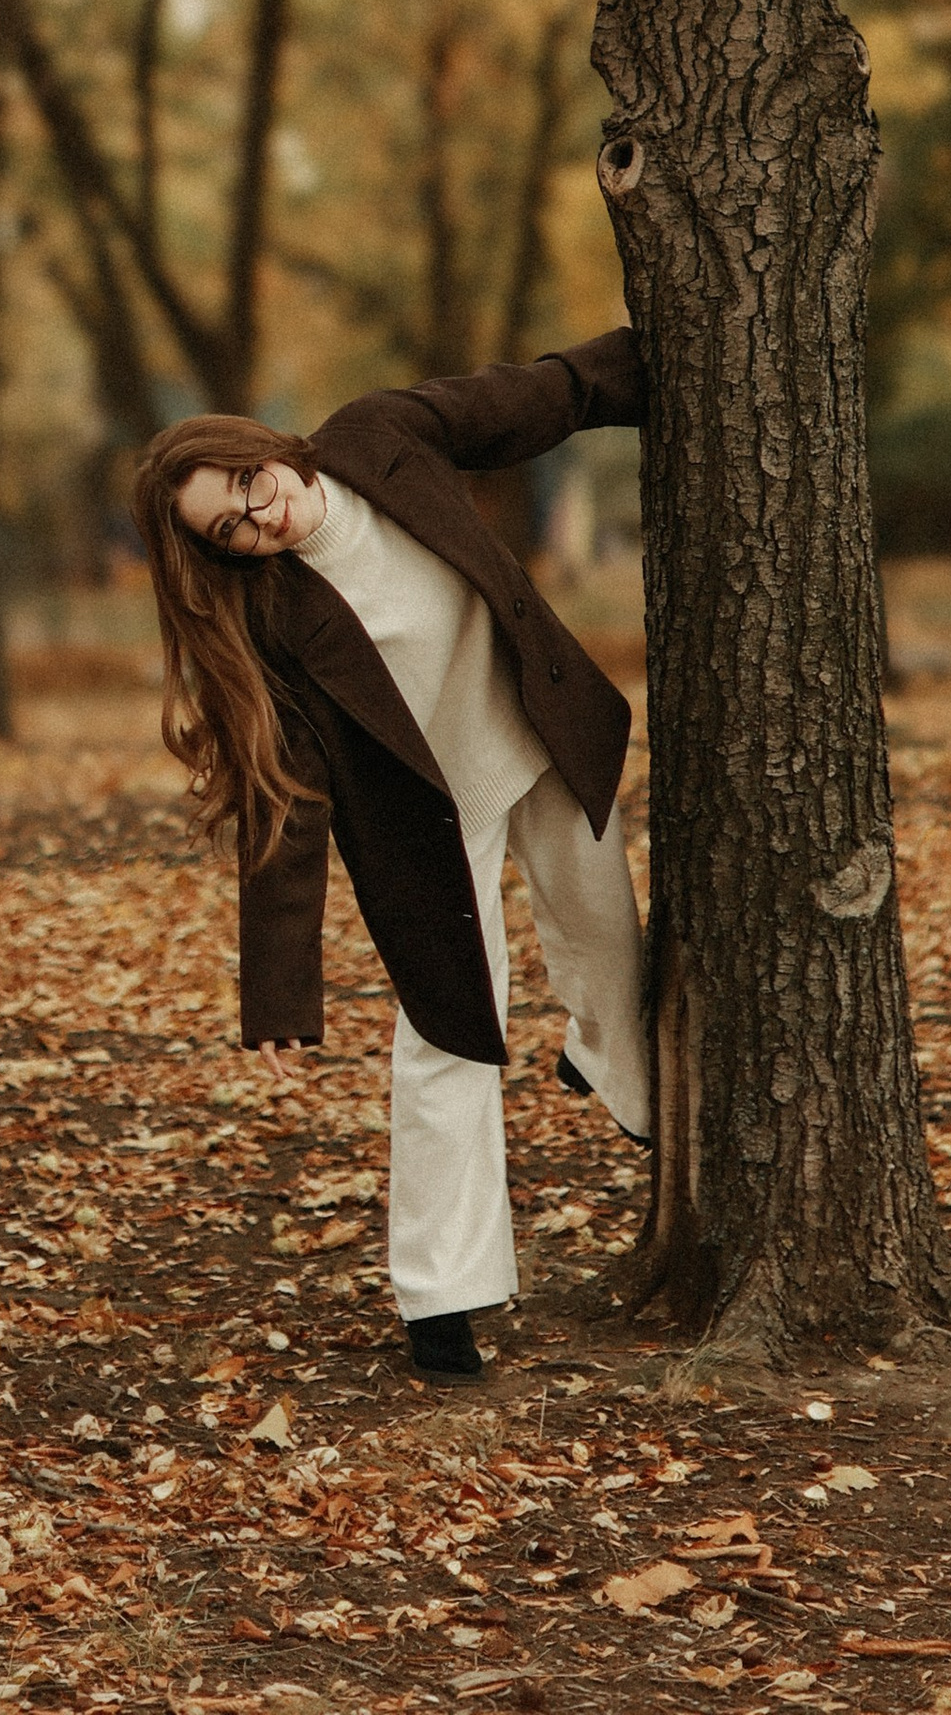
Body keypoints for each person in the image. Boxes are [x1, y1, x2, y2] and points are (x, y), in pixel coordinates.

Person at [132, 331, 653, 1381]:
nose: (259, 517)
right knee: (450, 1037)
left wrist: (662, 357)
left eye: (248, 484)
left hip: (535, 732)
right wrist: (278, 992)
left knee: (608, 944)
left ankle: (610, 1062)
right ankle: (441, 1297)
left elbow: (521, 399)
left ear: (265, 447)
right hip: (425, 818)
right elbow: (278, 803)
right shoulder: (268, 621)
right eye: (230, 528)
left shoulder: (379, 438)